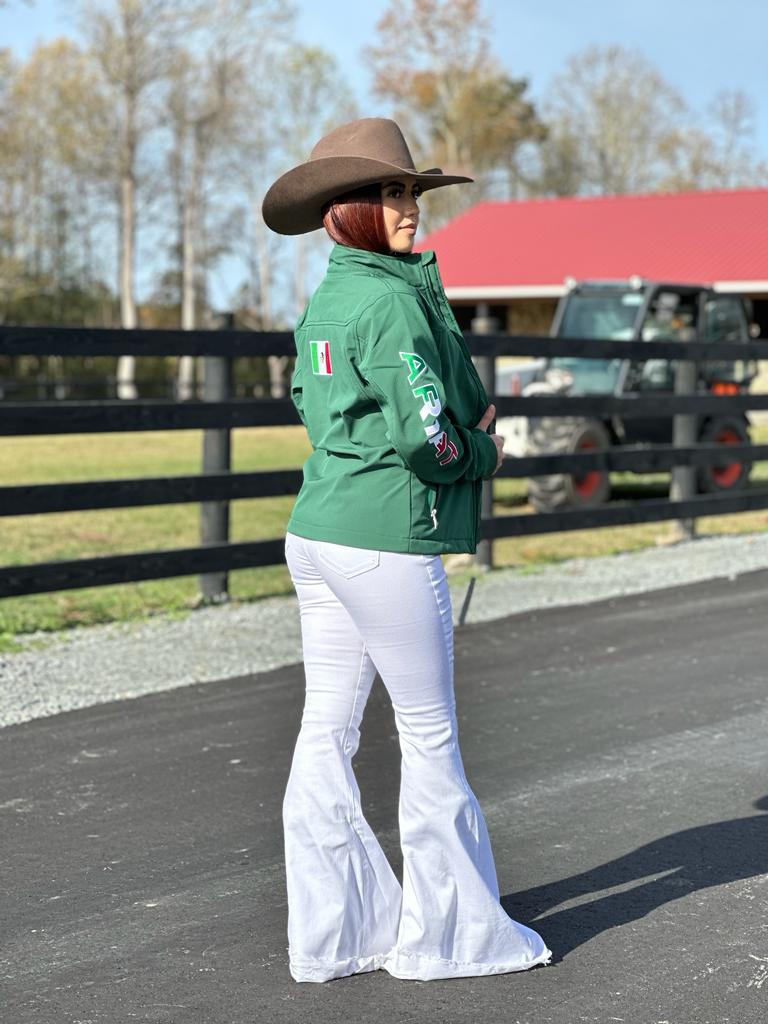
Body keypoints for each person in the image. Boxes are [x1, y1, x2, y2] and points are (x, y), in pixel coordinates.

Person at [262, 117, 551, 983]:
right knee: (429, 739)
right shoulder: (391, 300)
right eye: (387, 192)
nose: (407, 208)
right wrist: (489, 450)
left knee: (327, 730)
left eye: (408, 191)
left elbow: (309, 403)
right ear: (342, 208)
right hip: (384, 539)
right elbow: (430, 441)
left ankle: (338, 933)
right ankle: (447, 940)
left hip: (315, 531)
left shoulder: (329, 297)